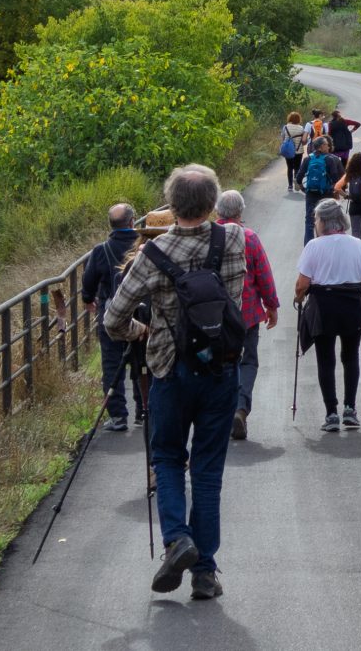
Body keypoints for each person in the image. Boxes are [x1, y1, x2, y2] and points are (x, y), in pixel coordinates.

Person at [102, 165, 247, 601]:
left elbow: (113, 319)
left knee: (166, 457)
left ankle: (177, 539)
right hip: (221, 369)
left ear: (171, 204)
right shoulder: (234, 240)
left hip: (169, 369)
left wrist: (141, 333)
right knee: (208, 470)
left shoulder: (152, 253)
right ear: (211, 203)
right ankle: (205, 572)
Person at [295, 198, 361, 433]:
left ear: (322, 221)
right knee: (351, 357)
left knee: (326, 359)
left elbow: (302, 285)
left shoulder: (314, 246)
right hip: (352, 305)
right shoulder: (356, 244)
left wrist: (299, 299)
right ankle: (350, 409)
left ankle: (331, 413)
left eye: (316, 219)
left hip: (323, 306)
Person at [214, 190, 280, 442]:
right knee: (248, 361)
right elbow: (263, 274)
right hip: (247, 312)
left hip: (211, 315)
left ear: (217, 211)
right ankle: (240, 409)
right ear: (240, 211)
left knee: (217, 362)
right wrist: (271, 305)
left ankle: (218, 414)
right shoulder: (249, 237)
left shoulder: (206, 235)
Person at [79, 203, 144, 432]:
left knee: (111, 364)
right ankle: (143, 411)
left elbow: (88, 284)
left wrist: (89, 299)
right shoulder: (144, 245)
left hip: (111, 316)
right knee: (142, 363)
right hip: (141, 314)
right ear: (132, 221)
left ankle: (118, 417)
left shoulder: (101, 250)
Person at [301, 135, 340, 243]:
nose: (328, 147)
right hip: (326, 194)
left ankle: (308, 247)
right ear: (321, 147)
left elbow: (299, 178)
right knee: (327, 219)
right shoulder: (330, 159)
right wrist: (336, 192)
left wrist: (305, 189)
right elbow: (335, 179)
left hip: (311, 194)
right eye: (326, 145)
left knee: (309, 221)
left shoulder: (308, 159)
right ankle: (325, 244)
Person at [279, 112, 305, 193]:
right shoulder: (301, 128)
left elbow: (283, 138)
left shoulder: (286, 127)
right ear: (298, 119)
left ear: (289, 118)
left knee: (290, 168)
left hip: (288, 150)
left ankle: (290, 186)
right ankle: (296, 181)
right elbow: (303, 141)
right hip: (299, 150)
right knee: (297, 167)